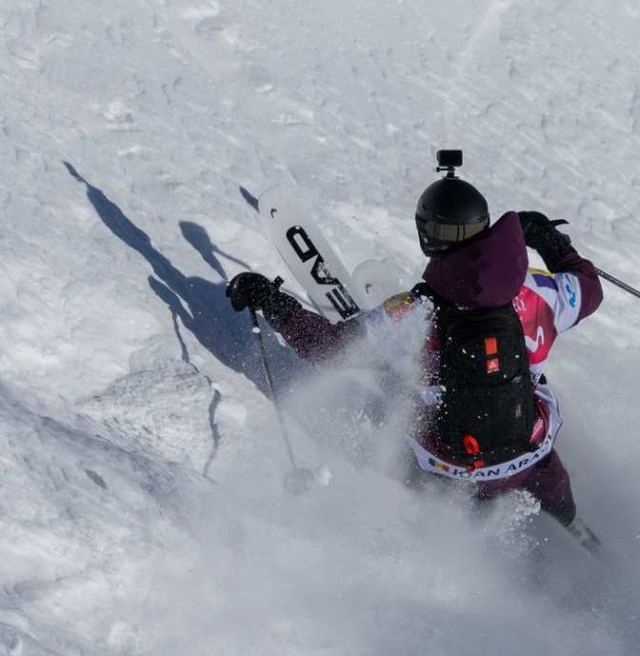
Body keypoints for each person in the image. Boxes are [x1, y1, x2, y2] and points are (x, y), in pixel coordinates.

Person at [225, 162, 603, 548]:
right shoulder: (535, 293)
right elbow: (590, 288)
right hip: (532, 456)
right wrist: (550, 242)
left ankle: (466, 540)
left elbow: (329, 349)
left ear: (427, 237)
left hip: (452, 468)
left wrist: (272, 303)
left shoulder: (416, 312)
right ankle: (580, 536)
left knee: (401, 394)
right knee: (548, 478)